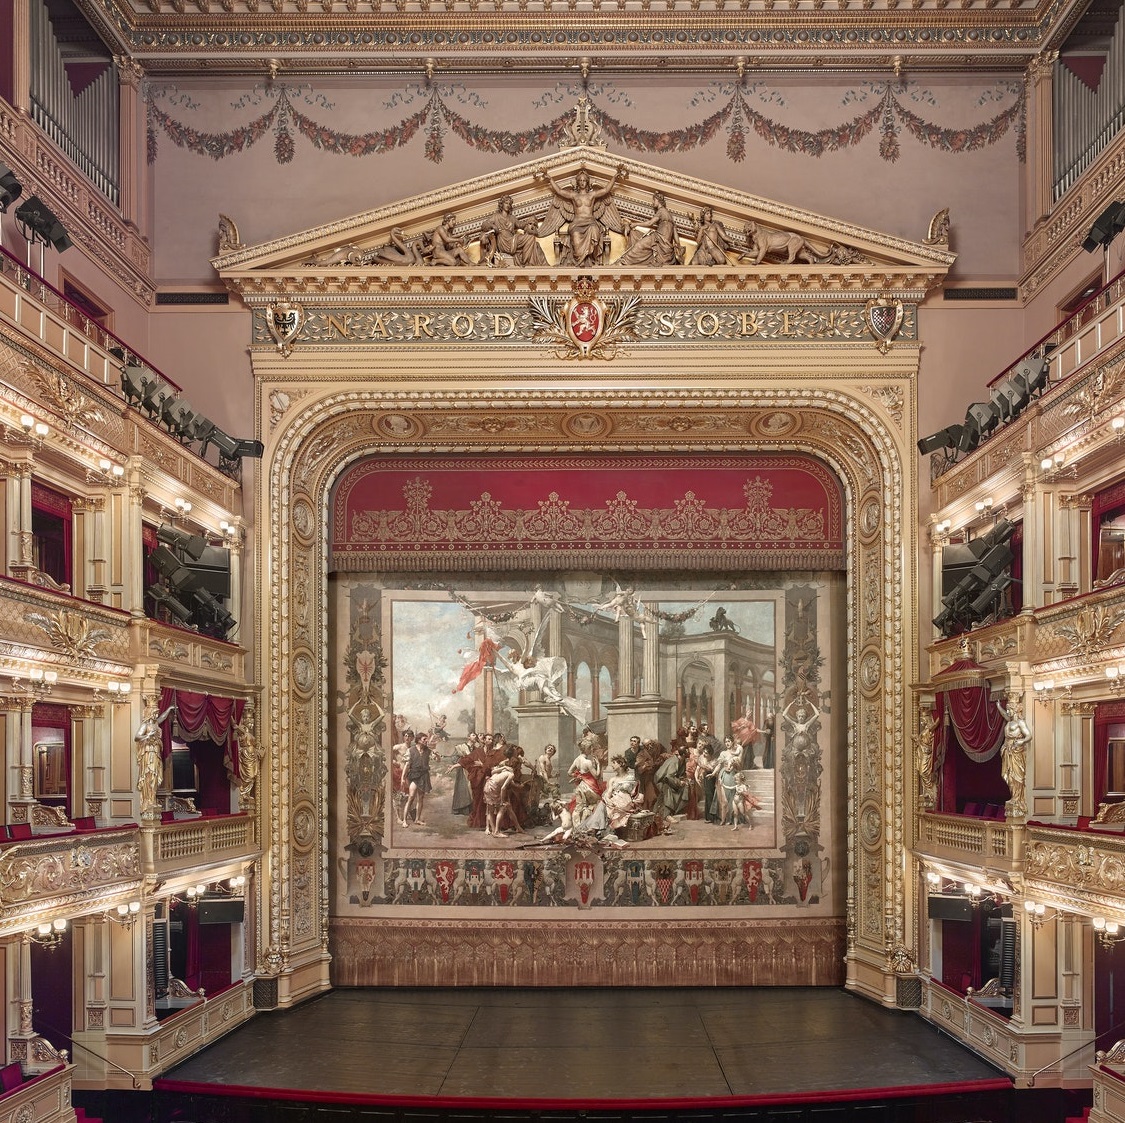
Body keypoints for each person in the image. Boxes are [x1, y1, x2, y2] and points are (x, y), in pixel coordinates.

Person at [537, 165, 625, 266]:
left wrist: (615, 176)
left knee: (594, 231)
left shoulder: (592, 195)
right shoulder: (574, 195)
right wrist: (549, 178)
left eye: (584, 180)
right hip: (577, 224)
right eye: (580, 180)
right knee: (576, 238)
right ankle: (580, 261)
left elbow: (605, 190)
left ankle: (590, 260)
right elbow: (559, 191)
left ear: (587, 182)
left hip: (590, 222)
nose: (582, 182)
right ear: (577, 182)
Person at [135, 700, 177, 818]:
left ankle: (152, 799)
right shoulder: (145, 725)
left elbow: (162, 718)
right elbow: (137, 737)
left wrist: (168, 709)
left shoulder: (156, 724)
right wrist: (148, 735)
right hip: (148, 752)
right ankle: (148, 801)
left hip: (156, 752)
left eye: (156, 713)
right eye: (154, 713)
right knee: (149, 775)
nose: (156, 715)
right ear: (149, 713)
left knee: (155, 776)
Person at [479, 195, 548, 267]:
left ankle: (527, 262)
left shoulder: (512, 218)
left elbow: (521, 225)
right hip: (504, 241)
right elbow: (484, 224)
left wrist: (530, 221)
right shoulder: (496, 216)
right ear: (501, 204)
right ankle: (525, 263)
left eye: (509, 204)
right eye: (506, 203)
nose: (508, 205)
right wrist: (493, 226)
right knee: (530, 238)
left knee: (531, 238)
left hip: (512, 239)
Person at [617, 191, 681, 266]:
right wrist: (679, 247)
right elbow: (676, 237)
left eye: (654, 200)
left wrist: (635, 224)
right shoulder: (670, 216)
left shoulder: (661, 211)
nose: (653, 203)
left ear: (658, 200)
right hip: (666, 246)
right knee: (640, 243)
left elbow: (650, 223)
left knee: (639, 245)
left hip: (657, 238)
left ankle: (624, 261)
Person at [997, 696, 1031, 819]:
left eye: (1010, 710)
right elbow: (1004, 715)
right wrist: (999, 707)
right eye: (1008, 710)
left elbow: (1028, 735)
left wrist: (1021, 741)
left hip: (1016, 750)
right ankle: (1014, 798)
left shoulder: (1020, 722)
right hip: (1007, 750)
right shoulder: (1009, 721)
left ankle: (1018, 800)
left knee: (1017, 776)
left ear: (1016, 710)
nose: (1009, 712)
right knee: (1007, 775)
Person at [400, 731, 433, 827]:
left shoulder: (428, 750)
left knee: (421, 798)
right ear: (419, 740)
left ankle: (417, 819)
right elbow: (407, 765)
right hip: (414, 776)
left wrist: (438, 756)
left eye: (426, 739)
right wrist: (403, 778)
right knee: (411, 797)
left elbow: (437, 760)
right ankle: (404, 821)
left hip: (424, 776)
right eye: (424, 739)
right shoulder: (411, 750)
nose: (426, 741)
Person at [654, 745, 690, 819]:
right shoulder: (674, 761)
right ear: (683, 754)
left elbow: (681, 774)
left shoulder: (682, 761)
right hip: (662, 781)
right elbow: (669, 776)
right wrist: (680, 782)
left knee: (686, 787)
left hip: (671, 781)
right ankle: (667, 815)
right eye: (687, 753)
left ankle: (677, 810)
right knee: (668, 791)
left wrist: (684, 780)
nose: (689, 754)